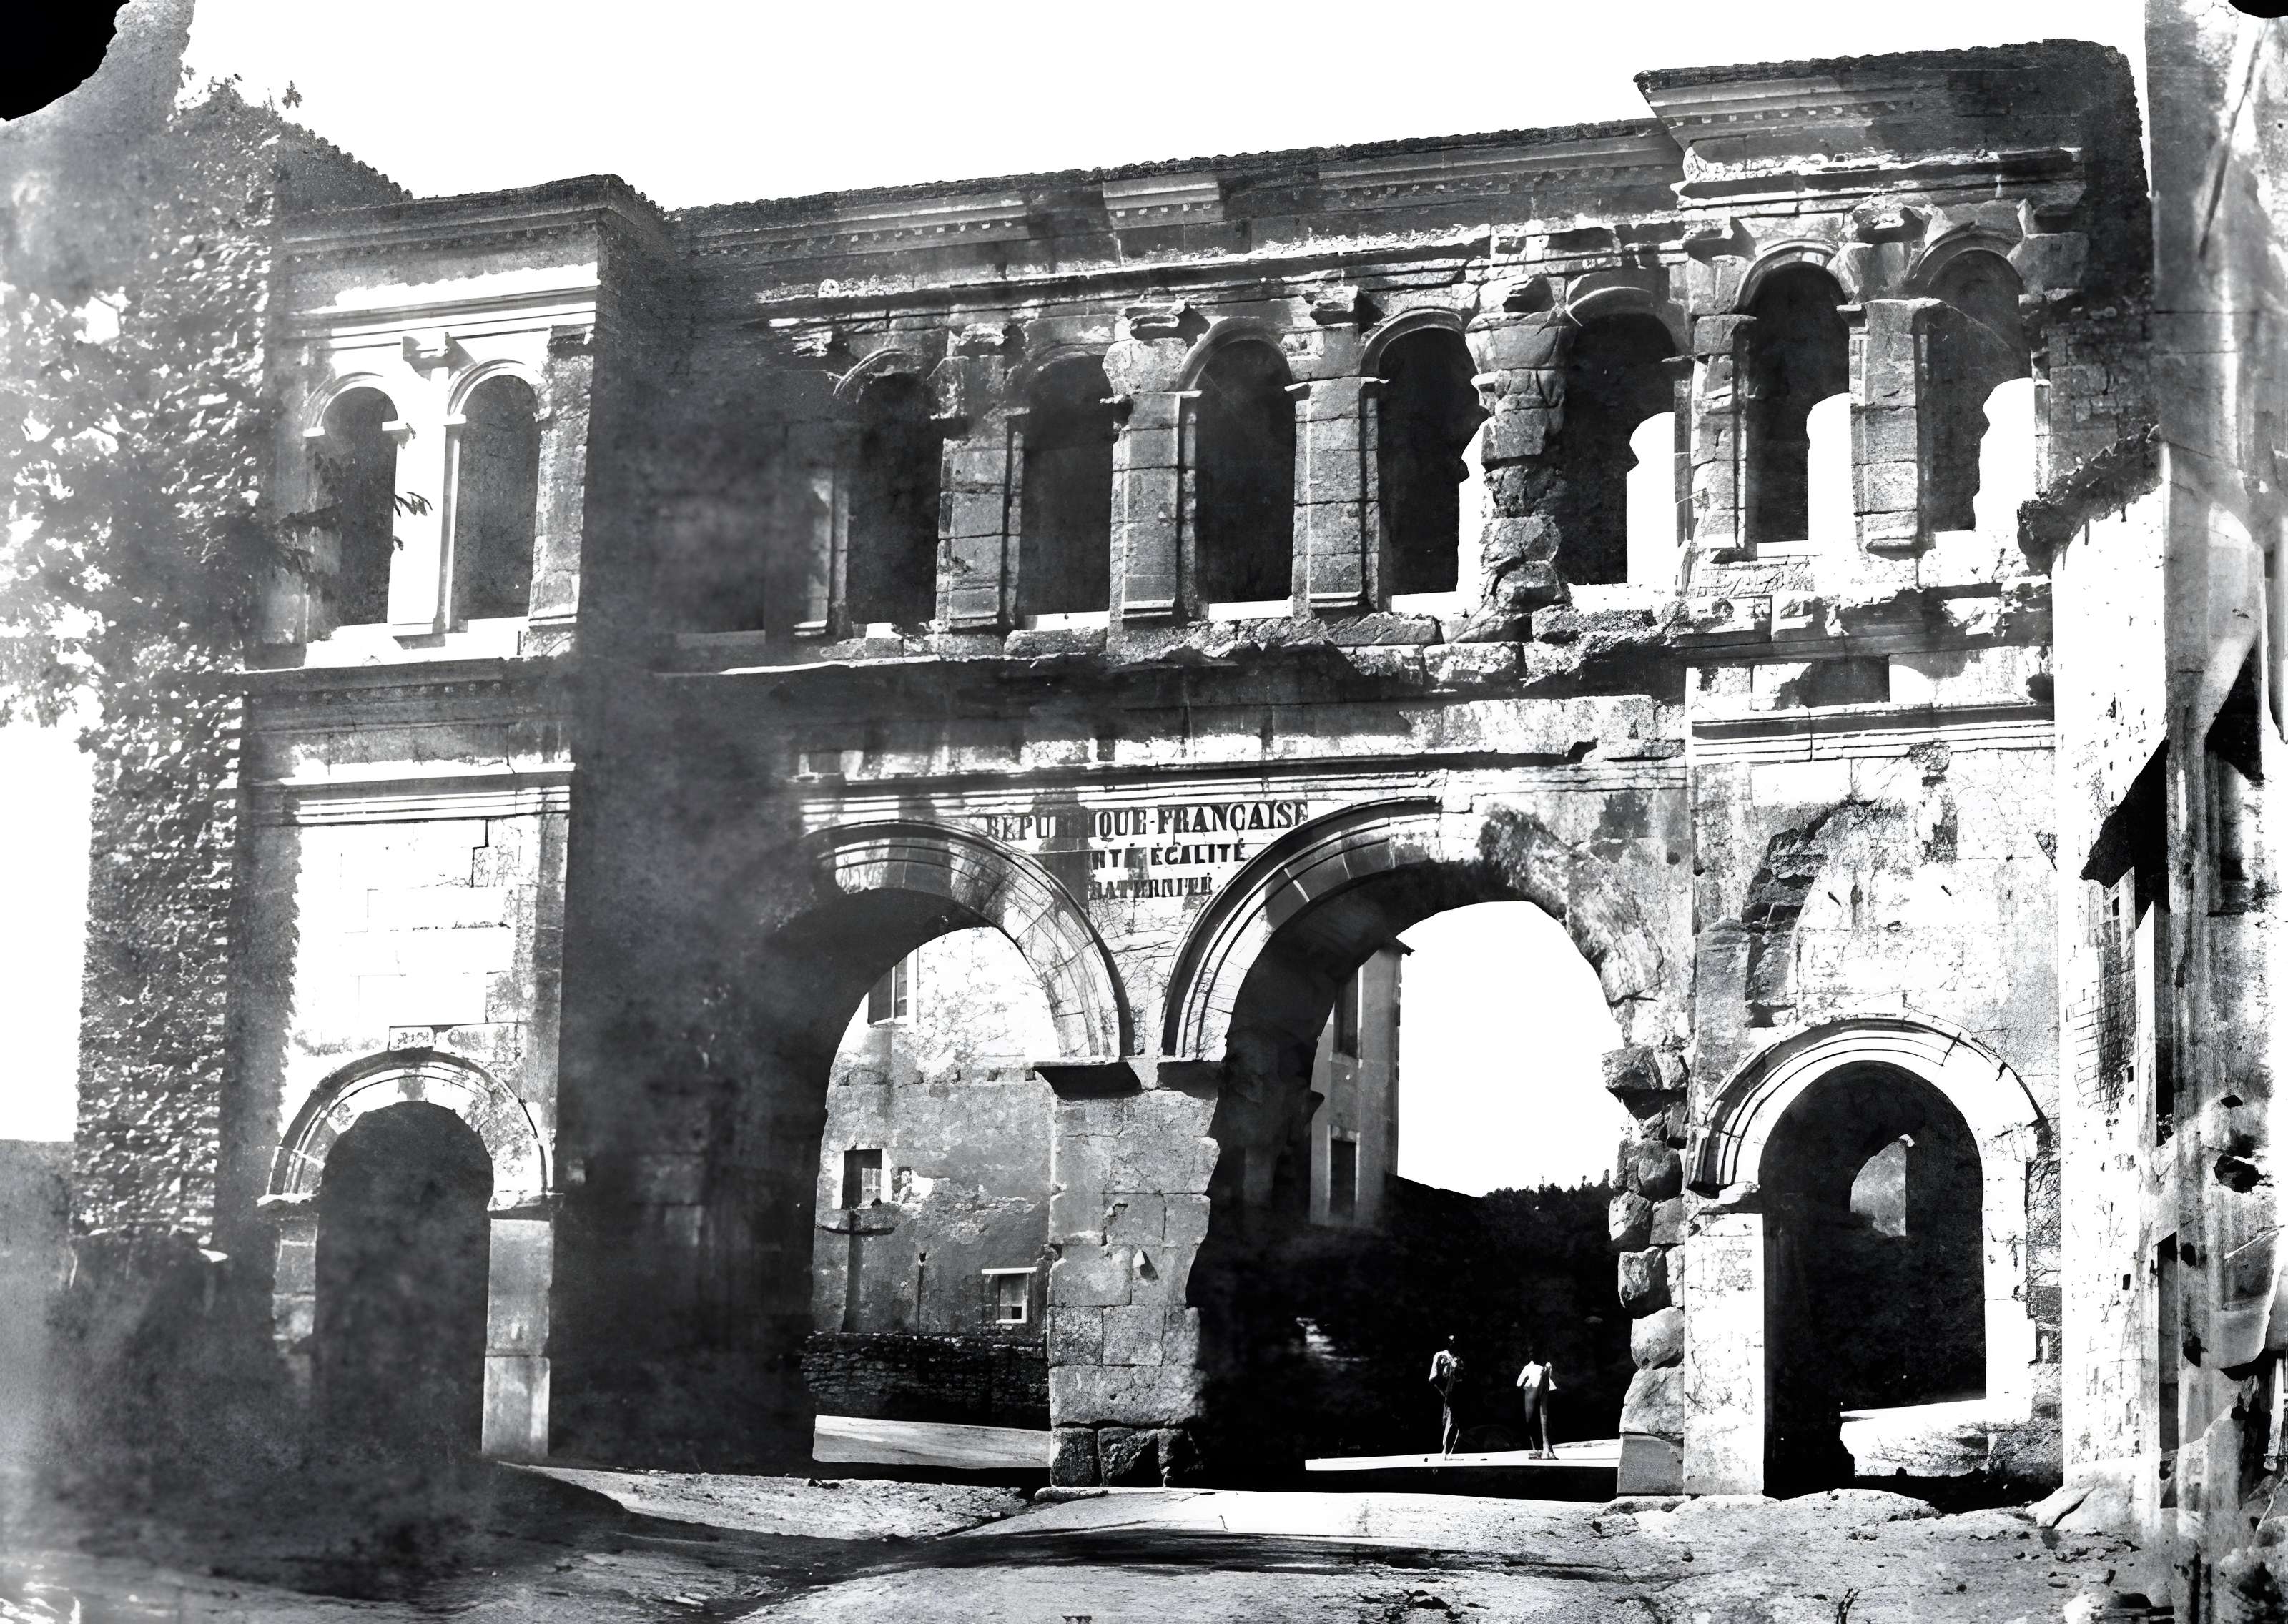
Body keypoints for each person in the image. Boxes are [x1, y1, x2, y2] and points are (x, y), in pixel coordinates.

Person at [1514, 1354, 1556, 1458]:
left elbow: (1519, 1383)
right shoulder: (1544, 1367)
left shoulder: (1528, 1367)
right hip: (1545, 1389)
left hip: (1533, 1389)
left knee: (1531, 1419)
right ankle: (1547, 1448)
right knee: (1544, 1417)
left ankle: (1537, 1449)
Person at [1428, 1335, 1464, 1456]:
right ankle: (1442, 1452)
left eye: (1455, 1341)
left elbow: (1459, 1377)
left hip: (1453, 1393)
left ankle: (1448, 1452)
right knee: (1443, 1421)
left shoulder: (1457, 1358)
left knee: (1453, 1421)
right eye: (1451, 1341)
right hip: (1442, 1392)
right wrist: (1442, 1393)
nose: (1454, 1343)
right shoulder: (1440, 1356)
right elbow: (1434, 1377)